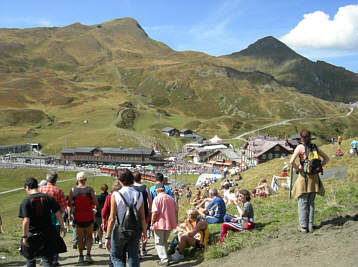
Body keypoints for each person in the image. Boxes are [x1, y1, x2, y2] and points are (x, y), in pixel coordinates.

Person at [19, 177, 66, 267]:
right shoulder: (48, 198)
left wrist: (24, 237)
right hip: (47, 233)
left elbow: (26, 221)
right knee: (47, 260)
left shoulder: (26, 201)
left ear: (27, 187)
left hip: (32, 234)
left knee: (31, 259)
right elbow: (58, 214)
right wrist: (62, 227)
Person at [290, 129, 329, 233]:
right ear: (310, 137)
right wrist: (319, 167)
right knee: (311, 203)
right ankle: (310, 225)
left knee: (302, 202)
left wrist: (298, 169)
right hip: (314, 178)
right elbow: (326, 158)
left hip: (304, 178)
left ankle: (303, 227)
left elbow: (291, 161)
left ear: (301, 138)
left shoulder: (300, 147)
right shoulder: (315, 147)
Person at [105, 169, 146, 267]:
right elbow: (142, 217)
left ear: (119, 180)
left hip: (119, 229)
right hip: (134, 230)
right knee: (133, 257)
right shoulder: (139, 194)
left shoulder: (115, 195)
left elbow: (111, 218)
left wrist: (107, 236)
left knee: (116, 257)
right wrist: (144, 232)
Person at [68, 172, 99, 264]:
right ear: (85, 180)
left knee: (80, 237)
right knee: (89, 236)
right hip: (88, 216)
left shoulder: (73, 190)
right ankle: (88, 255)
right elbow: (96, 202)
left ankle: (80, 256)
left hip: (78, 217)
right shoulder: (90, 190)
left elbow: (69, 204)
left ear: (77, 180)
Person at [38, 171, 68, 266]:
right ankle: (54, 260)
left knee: (42, 238)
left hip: (41, 219)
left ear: (47, 179)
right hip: (55, 220)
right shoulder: (58, 191)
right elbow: (63, 208)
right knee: (54, 239)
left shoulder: (40, 189)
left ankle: (43, 258)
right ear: (56, 180)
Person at [151, 183, 178, 266]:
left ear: (157, 190)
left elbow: (155, 213)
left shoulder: (157, 198)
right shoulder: (171, 198)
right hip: (169, 223)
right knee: (165, 241)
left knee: (159, 242)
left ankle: (164, 259)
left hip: (159, 223)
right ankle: (165, 256)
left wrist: (152, 222)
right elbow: (176, 211)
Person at [132, 172, 152, 257]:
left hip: (134, 213)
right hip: (145, 212)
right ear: (141, 178)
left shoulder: (131, 188)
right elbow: (150, 201)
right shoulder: (145, 187)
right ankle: (143, 248)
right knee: (144, 230)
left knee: (136, 232)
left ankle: (138, 250)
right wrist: (150, 211)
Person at [95, 184, 109, 248]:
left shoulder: (98, 197)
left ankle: (100, 241)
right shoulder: (109, 196)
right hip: (107, 214)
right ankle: (107, 239)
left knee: (100, 228)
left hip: (99, 214)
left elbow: (96, 205)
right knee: (108, 228)